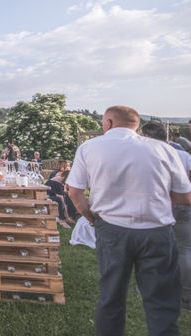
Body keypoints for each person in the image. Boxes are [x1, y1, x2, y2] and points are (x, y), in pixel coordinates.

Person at [68, 105, 191, 335]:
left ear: (109, 122)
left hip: (112, 228)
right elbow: (185, 196)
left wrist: (91, 218)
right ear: (136, 124)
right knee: (162, 301)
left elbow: (74, 192)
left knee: (111, 296)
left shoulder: (89, 147)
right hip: (157, 229)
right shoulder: (163, 149)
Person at [141, 120, 191, 310]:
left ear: (147, 136)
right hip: (184, 206)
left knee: (155, 250)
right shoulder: (184, 155)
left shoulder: (149, 155)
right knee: (186, 250)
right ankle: (186, 296)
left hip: (159, 206)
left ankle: (158, 290)